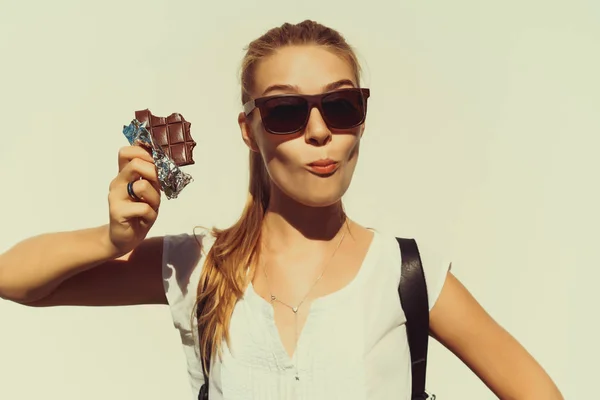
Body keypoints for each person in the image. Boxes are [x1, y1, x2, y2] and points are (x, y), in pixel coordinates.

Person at [0, 20, 563, 400]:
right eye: (287, 112)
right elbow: (15, 280)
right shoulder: (200, 267)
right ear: (249, 129)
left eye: (341, 106)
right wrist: (111, 241)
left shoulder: (408, 274)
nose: (319, 131)